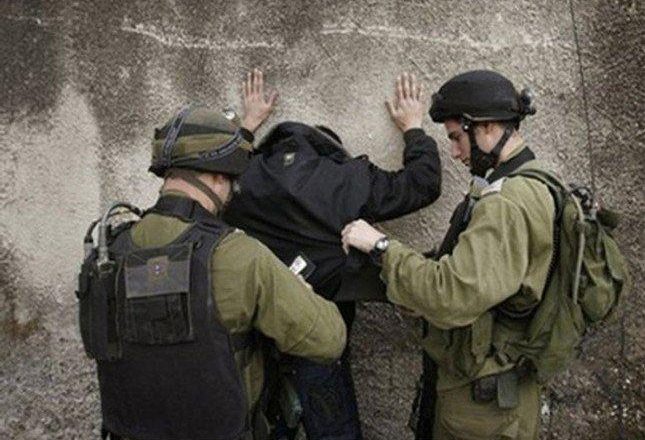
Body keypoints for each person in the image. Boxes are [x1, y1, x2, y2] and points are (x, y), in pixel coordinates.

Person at [78, 69, 347, 440]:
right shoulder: (238, 256)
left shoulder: (111, 253)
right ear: (219, 177)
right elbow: (329, 340)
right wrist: (301, 292)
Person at [224, 73, 442, 440]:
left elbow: (210, 177)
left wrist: (245, 128)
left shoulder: (244, 179)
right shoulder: (347, 178)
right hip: (319, 336)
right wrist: (413, 128)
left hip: (258, 341)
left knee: (265, 422)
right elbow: (422, 184)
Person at [341, 70, 548, 439]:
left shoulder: (505, 204)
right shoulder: (528, 180)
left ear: (485, 128)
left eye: (456, 138)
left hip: (481, 407)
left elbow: (451, 295)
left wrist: (380, 246)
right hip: (495, 392)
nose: (454, 152)